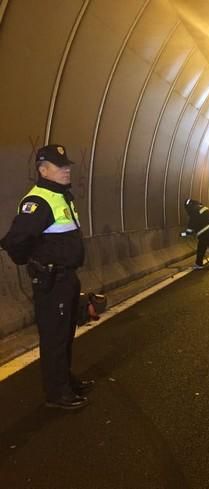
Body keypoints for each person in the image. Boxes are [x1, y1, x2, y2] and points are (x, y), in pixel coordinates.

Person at [0, 144, 93, 410]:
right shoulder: (38, 201)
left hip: (66, 278)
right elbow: (17, 239)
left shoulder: (61, 195)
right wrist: (33, 262)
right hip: (52, 280)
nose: (66, 170)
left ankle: (64, 380)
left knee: (64, 334)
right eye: (59, 166)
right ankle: (57, 393)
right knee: (54, 336)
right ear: (43, 170)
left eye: (67, 166)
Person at [182, 198, 209, 269]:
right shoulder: (202, 207)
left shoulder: (193, 210)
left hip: (206, 231)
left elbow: (192, 223)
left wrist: (186, 233)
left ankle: (199, 264)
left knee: (201, 247)